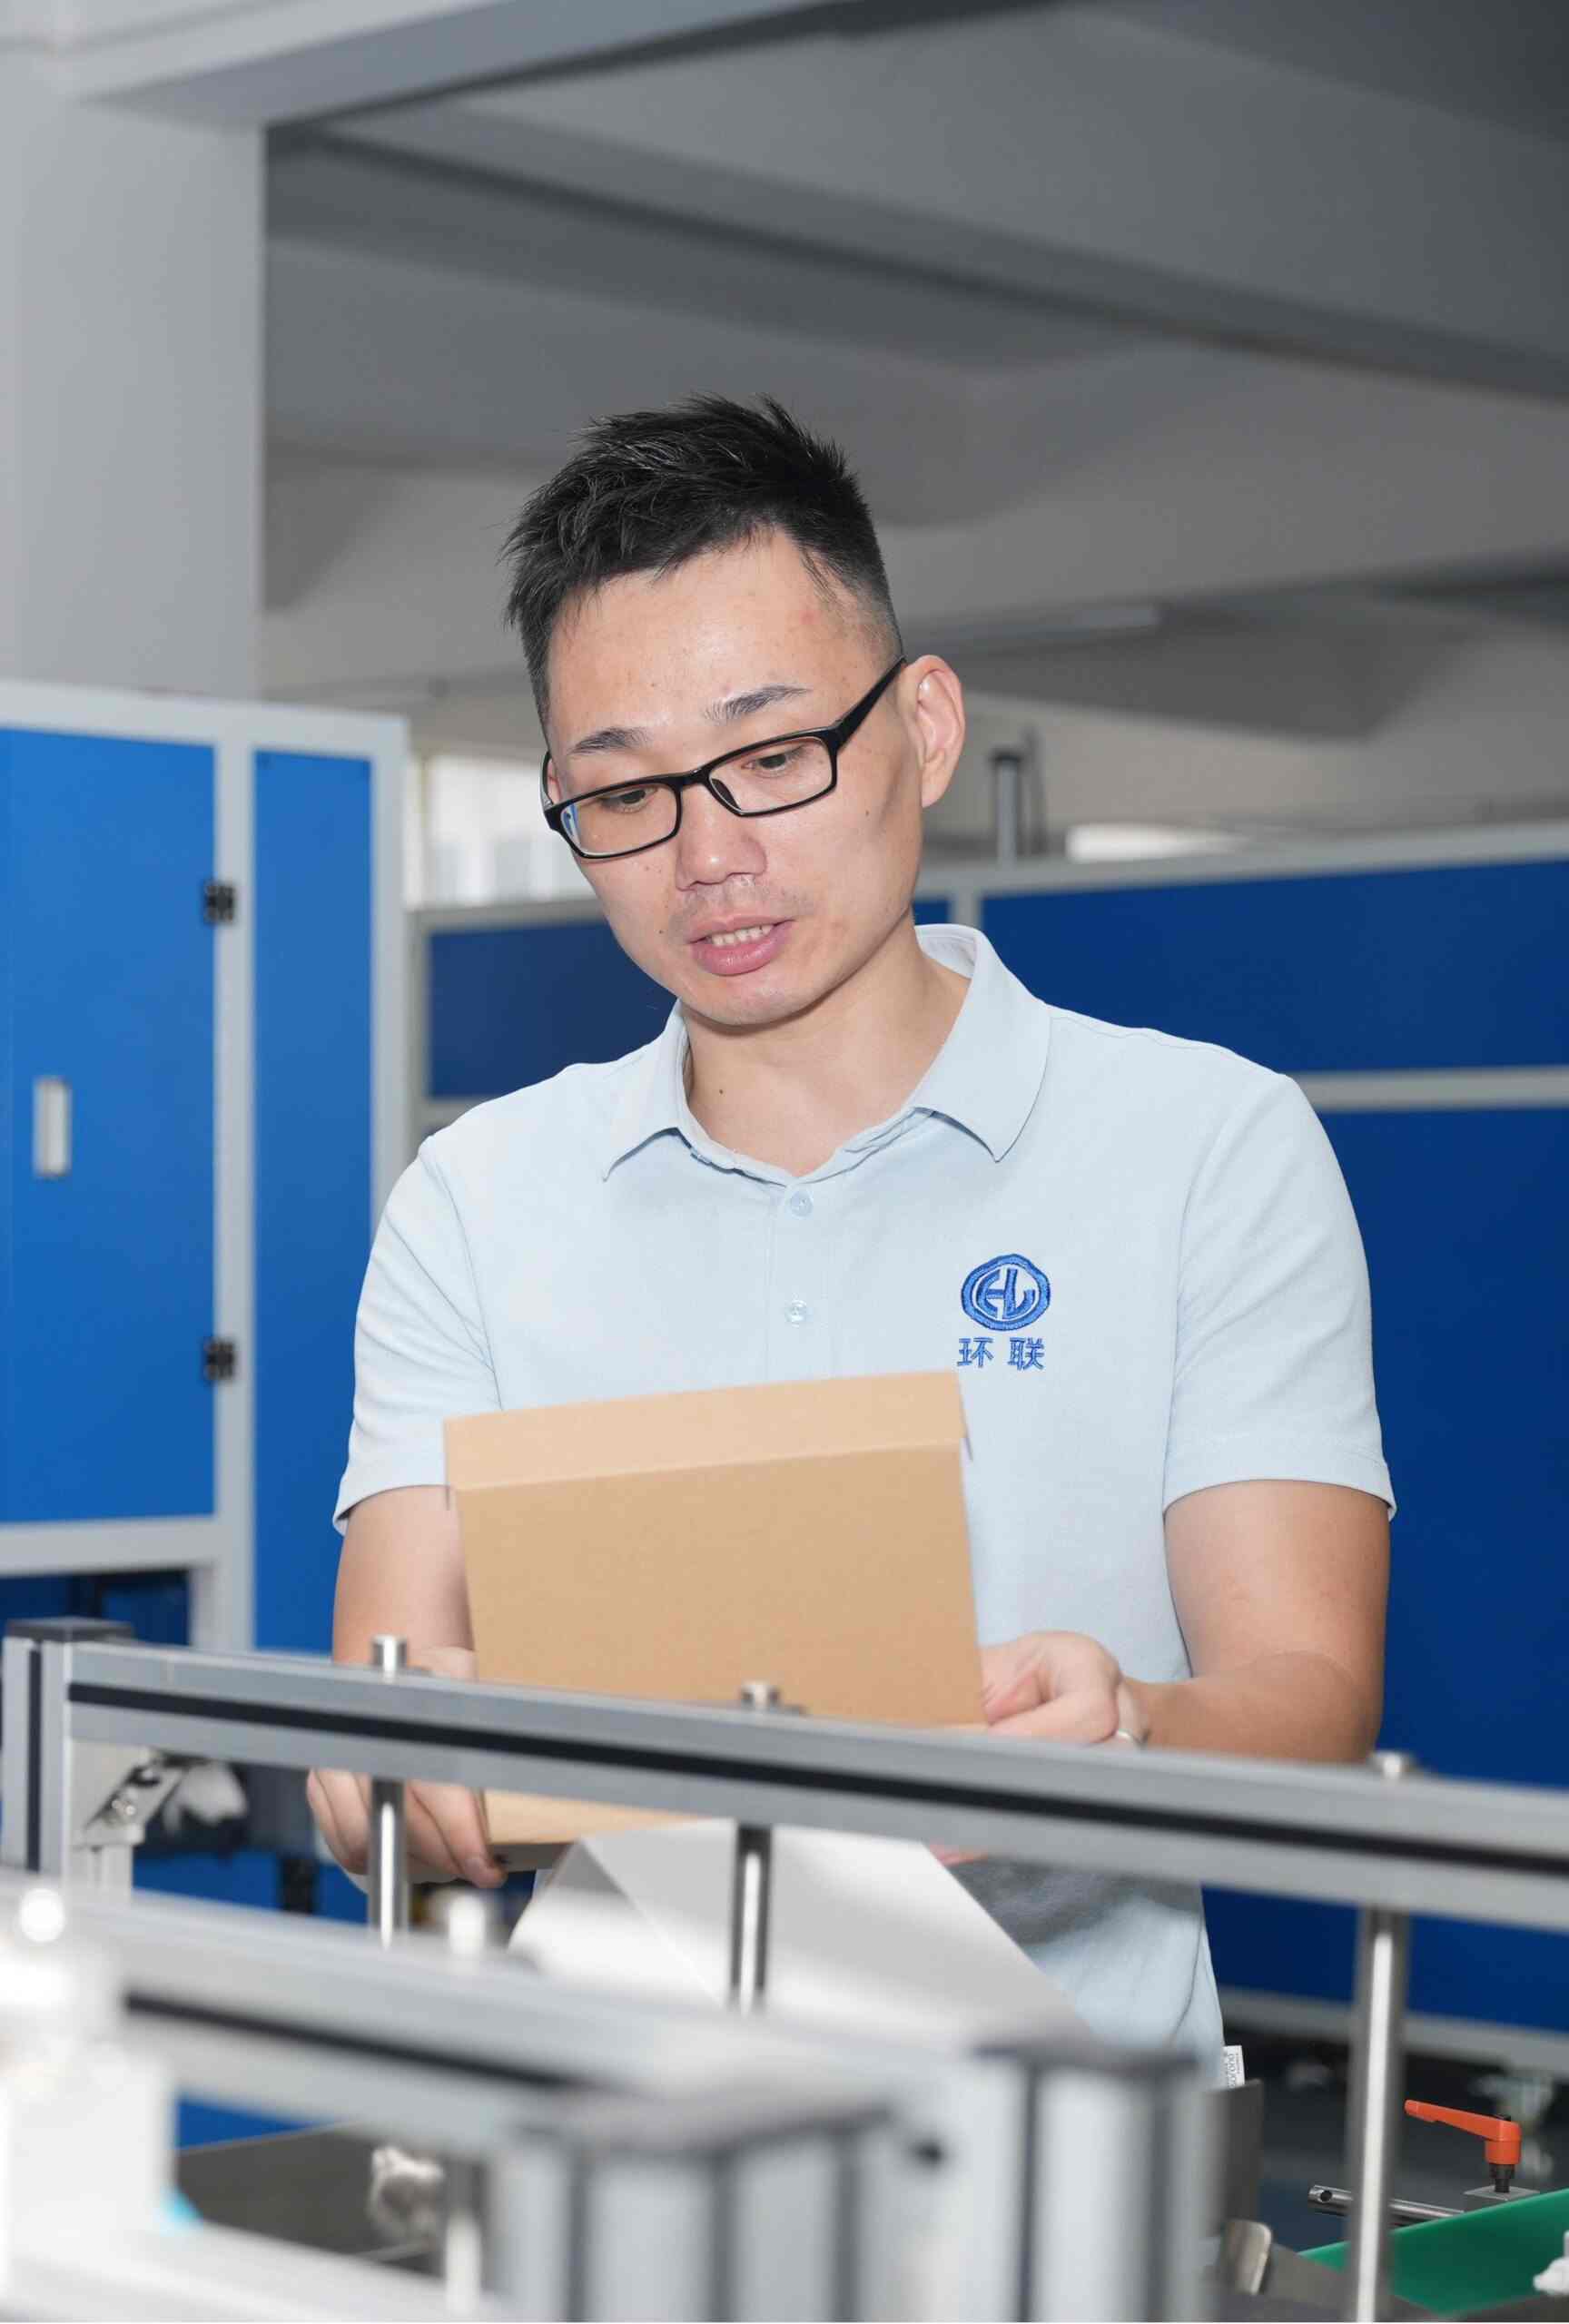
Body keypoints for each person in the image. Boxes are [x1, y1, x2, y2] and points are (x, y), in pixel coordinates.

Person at [311, 395, 1391, 2062]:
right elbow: (384, 1705)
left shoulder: (1202, 1149)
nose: (712, 856)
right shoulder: (478, 1199)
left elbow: (1313, 1703)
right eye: (627, 794)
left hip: (1066, 2167)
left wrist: (1135, 1727)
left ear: (926, 726)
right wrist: (403, 1758)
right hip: (614, 2135)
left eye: (771, 755)